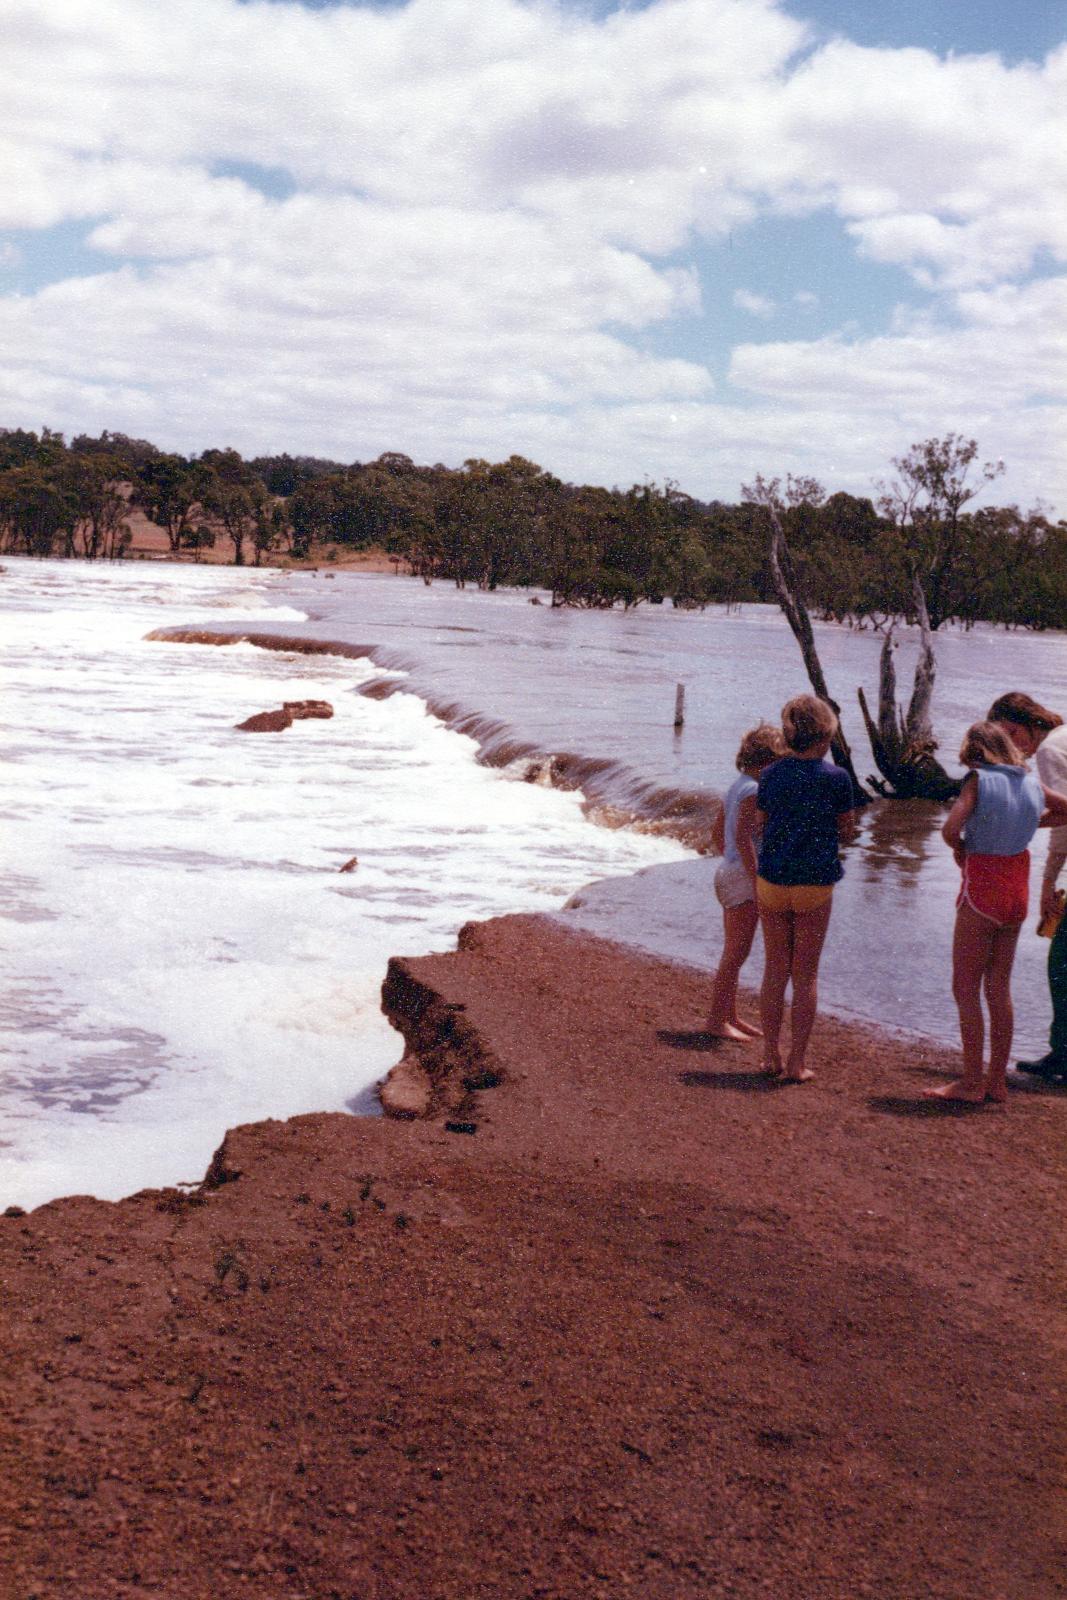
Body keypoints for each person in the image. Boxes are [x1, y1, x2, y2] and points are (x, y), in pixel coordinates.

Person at [927, 720, 1067, 1105]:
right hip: (1017, 890)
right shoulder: (1029, 782)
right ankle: (996, 1082)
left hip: (983, 886)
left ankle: (971, 1082)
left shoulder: (977, 781)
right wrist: (1033, 823)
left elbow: (949, 829)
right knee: (999, 987)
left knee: (965, 987)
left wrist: (960, 847)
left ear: (975, 751)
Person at [755, 695, 858, 1083]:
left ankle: (770, 1054)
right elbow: (846, 830)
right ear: (827, 735)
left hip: (773, 879)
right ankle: (797, 1061)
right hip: (815, 881)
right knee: (806, 975)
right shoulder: (837, 778)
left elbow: (762, 823)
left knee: (774, 969)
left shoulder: (770, 774)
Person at [987, 692, 1067, 1081]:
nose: (1012, 746)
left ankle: (1064, 1054)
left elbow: (1066, 817)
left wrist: (1048, 881)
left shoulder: (1051, 750)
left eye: (1012, 734)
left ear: (1029, 724)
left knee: (1062, 962)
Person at [706, 723, 786, 1040]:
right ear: (767, 762)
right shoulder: (754, 791)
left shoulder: (736, 786)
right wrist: (755, 880)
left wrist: (732, 862)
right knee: (737, 952)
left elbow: (718, 834)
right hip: (742, 876)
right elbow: (743, 838)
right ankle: (715, 1020)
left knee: (734, 949)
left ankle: (730, 1015)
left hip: (728, 871)